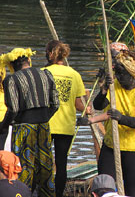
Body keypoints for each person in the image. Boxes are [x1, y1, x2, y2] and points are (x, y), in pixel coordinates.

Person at [93, 48, 135, 197]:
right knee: (104, 185)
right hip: (111, 144)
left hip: (134, 147)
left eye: (122, 74)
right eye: (117, 73)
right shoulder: (114, 86)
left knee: (132, 189)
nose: (119, 77)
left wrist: (120, 118)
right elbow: (98, 106)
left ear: (132, 75)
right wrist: (104, 89)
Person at [0, 48, 59, 196]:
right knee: (45, 166)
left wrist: (3, 125)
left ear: (12, 66)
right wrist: (44, 117)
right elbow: (56, 104)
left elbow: (13, 108)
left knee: (24, 166)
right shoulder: (46, 74)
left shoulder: (12, 79)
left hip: (23, 127)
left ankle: (23, 193)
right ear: (28, 61)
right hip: (44, 126)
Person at [43, 40, 91, 197]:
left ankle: (43, 191)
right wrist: (87, 107)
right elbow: (79, 104)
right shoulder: (74, 74)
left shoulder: (43, 72)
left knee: (43, 162)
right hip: (65, 126)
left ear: (50, 53)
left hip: (45, 124)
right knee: (61, 163)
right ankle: (58, 194)